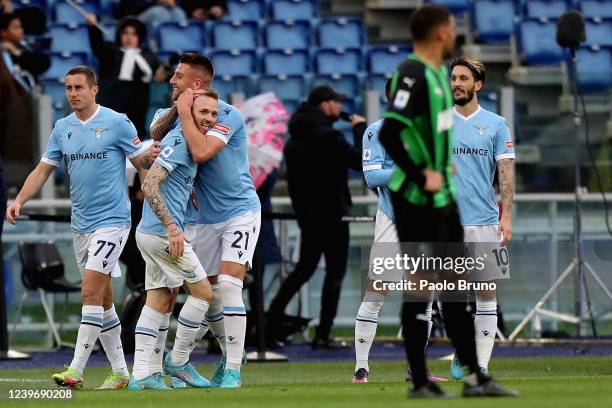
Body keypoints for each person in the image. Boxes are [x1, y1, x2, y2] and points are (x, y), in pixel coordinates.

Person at [378, 5, 518, 398]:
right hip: (418, 200)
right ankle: (420, 379)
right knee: (422, 288)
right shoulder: (412, 73)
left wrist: (442, 169)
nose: (455, 31)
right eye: (452, 26)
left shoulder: (438, 80)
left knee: (456, 290)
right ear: (440, 31)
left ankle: (476, 377)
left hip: (443, 202)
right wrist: (423, 174)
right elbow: (391, 130)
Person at [6, 66, 155, 390]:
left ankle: (76, 369)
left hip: (113, 221)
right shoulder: (62, 128)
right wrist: (19, 200)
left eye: (78, 87)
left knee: (89, 290)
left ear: (94, 89)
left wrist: (152, 187)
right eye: (69, 88)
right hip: (81, 224)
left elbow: (140, 163)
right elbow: (43, 169)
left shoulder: (117, 122)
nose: (73, 93)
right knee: (102, 301)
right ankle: (120, 373)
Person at [151, 53, 261, 388]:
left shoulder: (227, 114)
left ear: (197, 84)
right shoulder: (170, 115)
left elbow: (200, 152)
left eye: (179, 76)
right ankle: (206, 355)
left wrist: (185, 112)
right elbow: (156, 136)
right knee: (207, 293)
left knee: (228, 286)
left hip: (240, 211)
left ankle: (233, 370)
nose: (172, 80)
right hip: (202, 218)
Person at [352, 79, 445, 384]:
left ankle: (417, 369)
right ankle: (361, 369)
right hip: (392, 220)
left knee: (423, 298)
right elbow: (371, 176)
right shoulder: (377, 131)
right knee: (377, 293)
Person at [128, 90, 219, 390]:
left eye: (213, 114)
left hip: (148, 232)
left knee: (158, 299)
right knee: (204, 293)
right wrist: (172, 227)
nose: (208, 119)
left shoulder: (179, 139)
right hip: (162, 234)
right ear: (189, 113)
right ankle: (178, 361)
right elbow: (150, 184)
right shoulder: (180, 141)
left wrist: (186, 190)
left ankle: (142, 373)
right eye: (203, 112)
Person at [267, 85, 366, 349]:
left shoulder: (294, 139)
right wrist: (359, 129)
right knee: (335, 272)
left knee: (303, 270)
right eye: (336, 102)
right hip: (334, 214)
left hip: (308, 215)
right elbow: (359, 161)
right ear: (325, 104)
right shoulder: (329, 135)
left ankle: (269, 323)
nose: (340, 107)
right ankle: (323, 334)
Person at [448, 57, 515, 379]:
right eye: (453, 78)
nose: (456, 83)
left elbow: (506, 172)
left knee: (486, 293)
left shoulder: (496, 123)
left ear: (478, 85)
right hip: (446, 224)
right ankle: (457, 353)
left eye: (463, 78)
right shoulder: (438, 122)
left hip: (485, 221)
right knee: (447, 294)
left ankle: (482, 365)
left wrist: (507, 216)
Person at [85, 14, 160, 138]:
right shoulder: (111, 51)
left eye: (134, 34)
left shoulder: (148, 55)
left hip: (137, 107)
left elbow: (158, 72)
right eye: (125, 33)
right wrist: (93, 28)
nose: (129, 37)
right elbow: (97, 46)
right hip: (111, 104)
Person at [0, 13, 49, 87]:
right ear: (3, 32)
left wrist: (17, 53)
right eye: (16, 28)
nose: (21, 31)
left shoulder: (23, 47)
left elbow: (44, 62)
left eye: (21, 27)